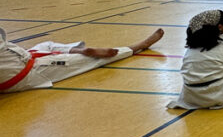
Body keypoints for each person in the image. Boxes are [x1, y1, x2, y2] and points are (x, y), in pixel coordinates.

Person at [1, 26, 163, 94]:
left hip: (26, 56)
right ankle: (137, 46)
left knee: (46, 44)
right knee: (89, 59)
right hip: (31, 72)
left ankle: (82, 49)